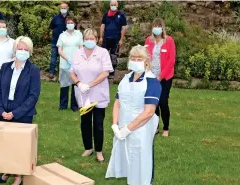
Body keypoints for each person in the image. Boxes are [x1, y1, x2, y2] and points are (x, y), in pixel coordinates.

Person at [105, 45, 162, 185]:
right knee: (127, 160)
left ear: (146, 61)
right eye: (133, 58)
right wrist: (115, 124)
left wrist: (128, 129)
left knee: (140, 162)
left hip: (141, 128)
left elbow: (149, 112)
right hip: (122, 125)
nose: (135, 61)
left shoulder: (152, 82)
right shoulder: (126, 79)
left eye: (139, 58)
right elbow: (118, 103)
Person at [0, 36, 40, 185]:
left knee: (20, 146)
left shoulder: (33, 70)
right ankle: (7, 169)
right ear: (14, 50)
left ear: (30, 52)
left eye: (25, 50)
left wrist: (15, 113)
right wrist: (1, 110)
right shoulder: (6, 67)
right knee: (5, 145)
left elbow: (33, 96)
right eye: (20, 49)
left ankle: (19, 175)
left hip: (23, 114)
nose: (22, 51)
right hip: (4, 112)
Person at [69, 28, 113, 162]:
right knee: (85, 122)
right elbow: (71, 72)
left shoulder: (103, 53)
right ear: (83, 40)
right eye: (87, 39)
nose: (89, 41)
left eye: (92, 39)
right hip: (83, 95)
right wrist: (78, 83)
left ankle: (99, 151)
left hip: (98, 94)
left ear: (96, 39)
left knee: (98, 124)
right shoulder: (77, 53)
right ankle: (88, 148)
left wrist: (91, 84)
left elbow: (106, 72)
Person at [145, 18, 176, 137]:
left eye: (159, 26)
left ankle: (166, 127)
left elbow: (171, 60)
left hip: (165, 77)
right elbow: (145, 56)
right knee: (154, 103)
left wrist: (160, 76)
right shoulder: (148, 40)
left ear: (162, 28)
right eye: (154, 26)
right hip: (151, 77)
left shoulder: (169, 41)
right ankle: (155, 126)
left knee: (163, 101)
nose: (156, 28)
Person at [57, 17, 82, 112]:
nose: (70, 24)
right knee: (64, 85)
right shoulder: (62, 35)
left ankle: (74, 106)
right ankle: (63, 105)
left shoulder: (79, 34)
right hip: (64, 63)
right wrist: (67, 58)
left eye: (72, 22)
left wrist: (76, 59)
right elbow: (59, 50)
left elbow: (81, 47)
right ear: (66, 24)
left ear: (75, 24)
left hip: (76, 63)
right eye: (68, 22)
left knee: (75, 84)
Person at [99, 0, 127, 81]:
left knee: (113, 56)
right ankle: (103, 72)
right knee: (103, 55)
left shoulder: (121, 14)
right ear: (110, 5)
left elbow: (123, 27)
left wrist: (121, 39)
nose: (113, 6)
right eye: (112, 4)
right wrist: (101, 37)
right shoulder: (106, 14)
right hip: (106, 38)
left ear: (117, 5)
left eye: (114, 4)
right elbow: (102, 25)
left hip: (116, 39)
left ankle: (111, 74)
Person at [48, 2, 69, 80]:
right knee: (54, 56)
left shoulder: (69, 19)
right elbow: (51, 28)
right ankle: (51, 72)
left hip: (66, 43)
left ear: (67, 9)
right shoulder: (55, 18)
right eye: (62, 8)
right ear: (60, 9)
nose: (63, 9)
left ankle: (65, 73)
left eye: (64, 8)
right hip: (55, 41)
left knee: (64, 57)